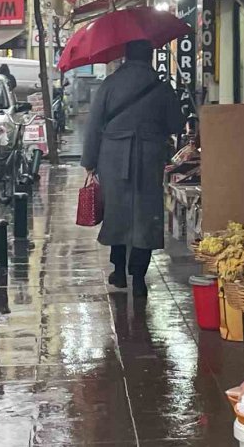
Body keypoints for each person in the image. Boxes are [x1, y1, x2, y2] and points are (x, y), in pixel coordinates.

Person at [81, 39, 184, 298]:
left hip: (112, 156)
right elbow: (176, 124)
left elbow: (94, 124)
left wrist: (89, 162)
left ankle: (118, 270)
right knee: (145, 215)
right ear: (150, 57)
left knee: (117, 211)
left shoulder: (110, 84)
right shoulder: (160, 86)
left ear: (125, 57)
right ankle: (138, 276)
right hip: (149, 156)